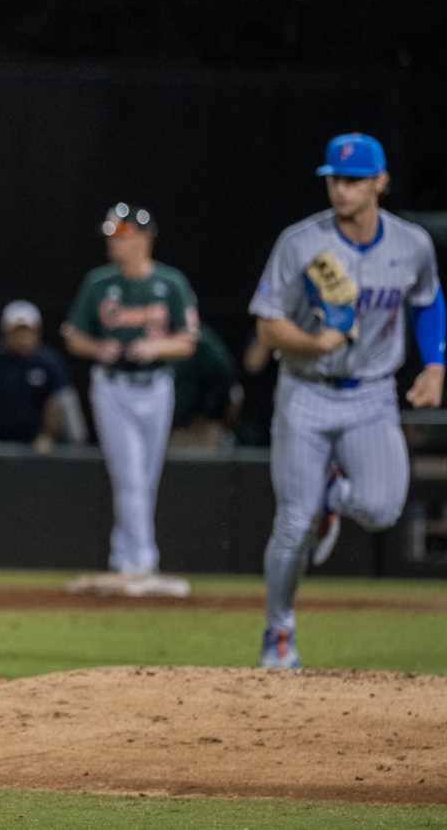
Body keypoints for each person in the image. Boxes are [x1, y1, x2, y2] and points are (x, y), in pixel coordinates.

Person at [249, 132, 443, 668]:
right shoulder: (300, 242)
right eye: (334, 178)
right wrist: (314, 342)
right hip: (306, 391)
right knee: (292, 523)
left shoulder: (411, 245)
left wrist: (435, 365)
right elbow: (266, 327)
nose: (341, 189)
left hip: (373, 395)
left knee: (382, 508)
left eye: (354, 179)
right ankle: (278, 635)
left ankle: (334, 499)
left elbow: (428, 302)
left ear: (380, 182)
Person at [61, 204, 199, 594]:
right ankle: (139, 562)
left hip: (155, 386)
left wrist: (157, 348)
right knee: (130, 475)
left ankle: (128, 559)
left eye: (120, 235)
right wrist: (98, 348)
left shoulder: (170, 283)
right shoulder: (99, 282)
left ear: (143, 238)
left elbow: (188, 340)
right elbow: (74, 335)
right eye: (112, 235)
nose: (113, 242)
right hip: (113, 386)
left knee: (145, 477)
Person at [0, 300, 85, 452]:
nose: (23, 337)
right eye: (17, 331)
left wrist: (77, 442)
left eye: (28, 331)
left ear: (37, 332)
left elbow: (66, 400)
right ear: (6, 332)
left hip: (39, 442)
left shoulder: (50, 362)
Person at [169, 322, 243, 450]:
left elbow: (225, 379)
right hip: (168, 425)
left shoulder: (202, 341)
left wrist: (209, 415)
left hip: (197, 427)